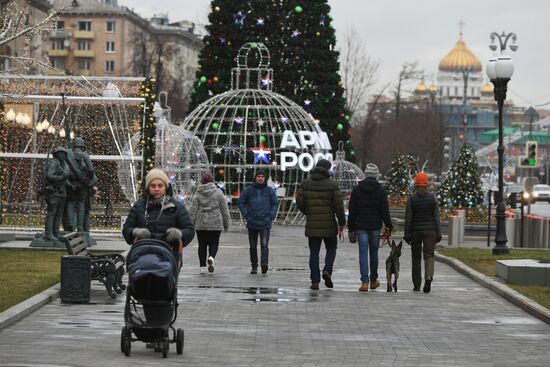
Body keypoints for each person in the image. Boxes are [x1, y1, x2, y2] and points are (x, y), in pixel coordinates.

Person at [296, 159, 346, 290]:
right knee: (331, 248)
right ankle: (327, 270)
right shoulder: (332, 185)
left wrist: (308, 212)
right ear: (328, 169)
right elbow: (339, 206)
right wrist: (342, 222)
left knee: (314, 253)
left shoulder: (305, 184)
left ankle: (315, 281)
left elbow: (299, 202)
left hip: (312, 224)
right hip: (329, 223)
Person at [122, 168, 194, 257]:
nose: (156, 189)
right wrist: (135, 232)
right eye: (153, 186)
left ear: (166, 187)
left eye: (160, 186)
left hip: (169, 255)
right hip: (142, 255)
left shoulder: (177, 207)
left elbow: (189, 229)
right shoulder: (139, 206)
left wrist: (179, 234)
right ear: (148, 188)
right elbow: (126, 229)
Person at [348, 163, 393, 292]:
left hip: (361, 225)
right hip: (375, 226)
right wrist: (389, 225)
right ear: (376, 175)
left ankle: (364, 282)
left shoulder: (357, 190)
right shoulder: (381, 190)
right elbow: (385, 211)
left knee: (363, 253)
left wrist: (351, 227)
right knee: (374, 253)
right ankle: (373, 280)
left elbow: (352, 210)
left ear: (366, 174)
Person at [404, 172, 442, 293]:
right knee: (429, 255)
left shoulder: (411, 199)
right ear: (426, 185)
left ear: (416, 185)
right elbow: (436, 218)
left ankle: (416, 285)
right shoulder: (433, 198)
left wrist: (406, 234)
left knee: (416, 258)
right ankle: (429, 277)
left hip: (415, 232)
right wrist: (438, 233)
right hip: (430, 231)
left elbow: (408, 218)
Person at [238, 170, 278, 274]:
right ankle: (254, 266)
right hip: (252, 222)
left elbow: (275, 203)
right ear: (255, 178)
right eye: (258, 176)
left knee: (264, 245)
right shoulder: (248, 190)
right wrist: (247, 215)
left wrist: (271, 216)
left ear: (265, 178)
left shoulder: (270, 191)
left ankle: (264, 265)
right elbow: (241, 203)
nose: (260, 178)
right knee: (252, 246)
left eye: (262, 176)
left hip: (265, 222)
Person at [188, 172, 230, 274]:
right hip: (215, 223)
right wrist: (226, 224)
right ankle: (211, 257)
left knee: (202, 245)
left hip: (201, 223)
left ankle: (202, 267)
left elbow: (193, 211)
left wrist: (190, 225)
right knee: (214, 243)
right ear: (212, 181)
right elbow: (224, 210)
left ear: (202, 181)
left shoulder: (198, 193)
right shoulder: (218, 193)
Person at [64, 138, 97, 235]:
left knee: (70, 203)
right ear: (82, 145)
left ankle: (71, 225)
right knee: (81, 205)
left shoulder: (67, 154)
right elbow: (91, 169)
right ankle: (80, 227)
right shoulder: (84, 155)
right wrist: (89, 179)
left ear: (73, 145)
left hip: (70, 183)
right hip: (82, 184)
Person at [42, 146, 71, 241]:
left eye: (64, 153)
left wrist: (70, 185)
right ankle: (49, 233)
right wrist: (61, 177)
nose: (63, 155)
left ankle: (56, 232)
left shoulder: (64, 164)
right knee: (52, 213)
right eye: (61, 153)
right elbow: (49, 176)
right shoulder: (53, 164)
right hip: (54, 192)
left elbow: (65, 178)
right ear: (56, 155)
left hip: (62, 192)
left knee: (59, 214)